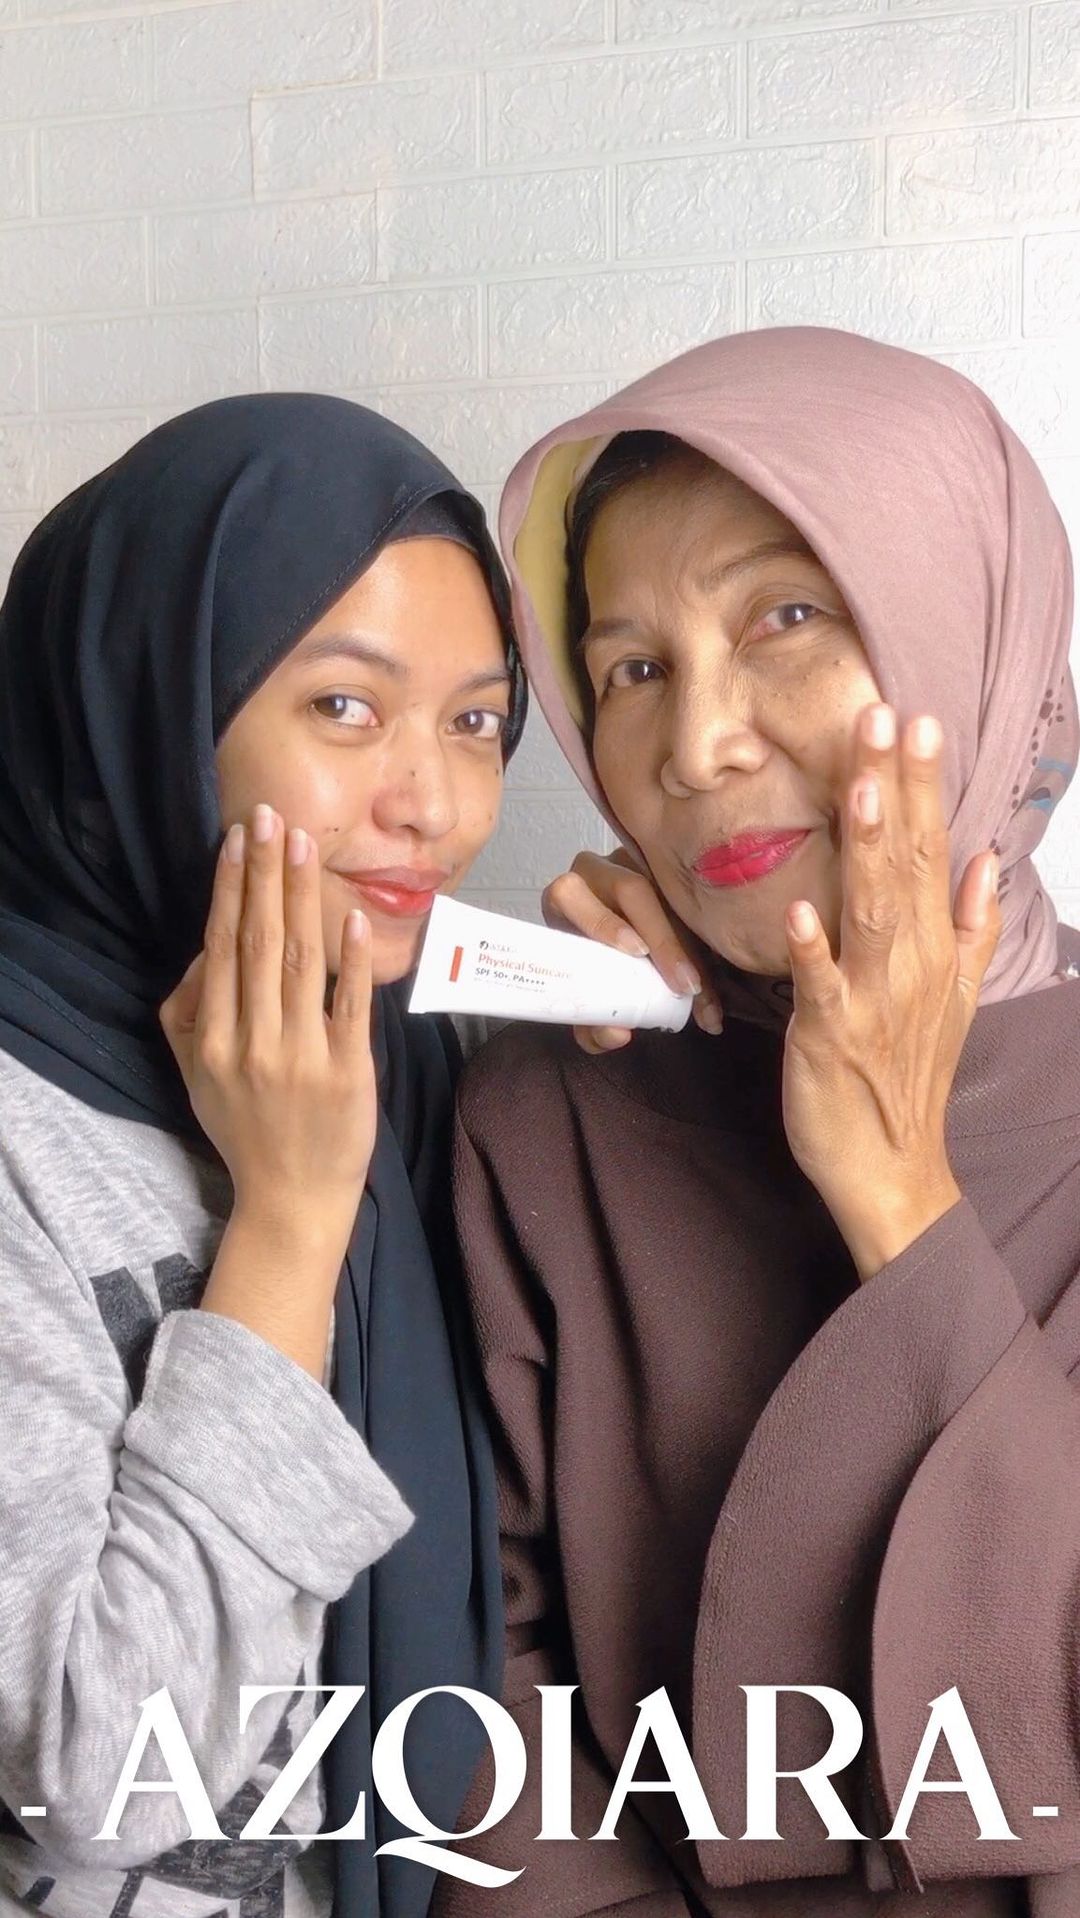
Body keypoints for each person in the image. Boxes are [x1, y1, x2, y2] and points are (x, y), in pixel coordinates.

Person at [441, 326, 1080, 1916]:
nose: (696, 743)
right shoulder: (545, 1110)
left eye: (786, 616)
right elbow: (480, 1681)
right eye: (631, 667)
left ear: (971, 629)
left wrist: (899, 1194)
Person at [0, 392, 657, 1918]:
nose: (433, 806)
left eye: (476, 722)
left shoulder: (409, 1050)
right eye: (347, 706)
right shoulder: (27, 1135)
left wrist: (671, 990)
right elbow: (102, 1778)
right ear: (146, 703)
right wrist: (291, 1219)